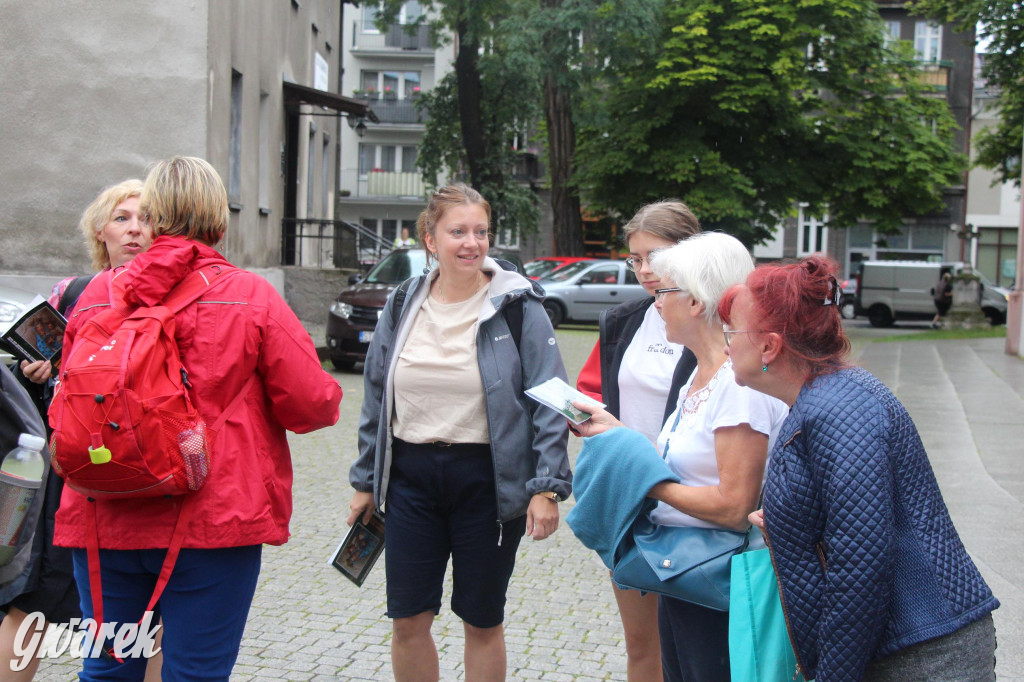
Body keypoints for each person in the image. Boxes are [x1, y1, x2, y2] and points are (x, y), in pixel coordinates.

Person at [52, 156, 343, 681]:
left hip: (105, 507)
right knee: (196, 674)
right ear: (219, 218)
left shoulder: (98, 294)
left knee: (106, 670)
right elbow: (314, 406)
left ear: (153, 215)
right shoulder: (250, 296)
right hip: (213, 517)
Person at [719, 255, 999, 681]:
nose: (725, 344)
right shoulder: (824, 400)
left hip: (921, 654)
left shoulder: (842, 409)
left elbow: (861, 565)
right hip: (896, 649)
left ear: (769, 346)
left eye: (731, 331)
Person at [348, 183, 572, 682]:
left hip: (487, 483)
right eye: (458, 232)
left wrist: (548, 488)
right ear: (430, 238)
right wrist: (366, 482)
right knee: (408, 618)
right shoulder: (404, 301)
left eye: (480, 231)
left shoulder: (517, 305)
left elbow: (551, 398)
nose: (471, 243)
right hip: (410, 479)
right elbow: (377, 394)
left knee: (482, 619)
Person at [571, 232, 788, 682]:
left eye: (665, 291)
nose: (655, 303)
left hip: (721, 582)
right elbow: (685, 464)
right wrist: (616, 435)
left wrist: (646, 482)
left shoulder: (736, 386)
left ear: (695, 303)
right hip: (687, 574)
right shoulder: (700, 376)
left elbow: (735, 508)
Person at [0, 179, 152, 681]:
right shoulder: (71, 294)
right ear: (100, 230)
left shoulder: (172, 298)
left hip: (146, 470)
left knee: (149, 617)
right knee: (36, 597)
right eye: (122, 218)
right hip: (71, 471)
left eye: (146, 218)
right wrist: (38, 372)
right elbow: (41, 390)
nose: (134, 230)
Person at [575, 200, 700, 681]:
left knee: (692, 648)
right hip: (632, 495)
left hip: (694, 499)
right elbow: (601, 392)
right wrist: (587, 417)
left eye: (656, 257)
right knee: (641, 645)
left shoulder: (717, 320)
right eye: (635, 259)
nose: (645, 270)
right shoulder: (625, 320)